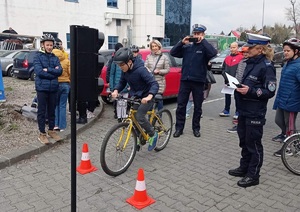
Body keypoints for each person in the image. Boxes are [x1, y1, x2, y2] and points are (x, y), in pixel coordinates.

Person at [228, 33, 276, 188]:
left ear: (260, 49)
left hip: (255, 111)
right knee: (243, 141)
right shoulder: (249, 63)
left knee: (253, 143)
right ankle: (244, 167)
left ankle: (253, 175)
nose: (247, 49)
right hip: (243, 109)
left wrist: (250, 91)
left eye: (251, 47)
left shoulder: (267, 67)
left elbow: (269, 91)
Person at [170, 24, 217, 138]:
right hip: (185, 80)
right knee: (181, 106)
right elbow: (173, 53)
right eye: (195, 34)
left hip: (198, 81)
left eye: (199, 34)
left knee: (197, 107)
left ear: (203, 34)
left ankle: (196, 128)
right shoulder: (187, 47)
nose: (196, 36)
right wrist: (182, 42)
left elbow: (213, 53)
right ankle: (179, 128)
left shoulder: (204, 47)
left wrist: (203, 41)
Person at [111, 47, 159, 151]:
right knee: (133, 116)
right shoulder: (126, 71)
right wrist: (115, 90)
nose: (120, 67)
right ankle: (138, 136)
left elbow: (154, 84)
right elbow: (122, 83)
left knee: (140, 116)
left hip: (147, 96)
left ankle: (153, 134)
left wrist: (149, 96)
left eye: (122, 65)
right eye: (119, 65)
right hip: (137, 96)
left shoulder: (141, 70)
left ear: (129, 62)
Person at [272, 38, 300, 157]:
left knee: (290, 126)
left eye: (288, 50)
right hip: (282, 99)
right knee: (278, 121)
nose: (285, 52)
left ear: (296, 51)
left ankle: (290, 148)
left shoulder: (298, 66)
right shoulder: (287, 63)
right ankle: (295, 141)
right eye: (284, 50)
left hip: (292, 102)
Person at [33, 34, 63, 144]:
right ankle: (42, 133)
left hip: (53, 88)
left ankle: (51, 130)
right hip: (42, 88)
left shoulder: (55, 57)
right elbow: (39, 72)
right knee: (41, 111)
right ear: (43, 45)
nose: (49, 47)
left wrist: (48, 70)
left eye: (51, 45)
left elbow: (60, 71)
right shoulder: (37, 56)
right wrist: (53, 72)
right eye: (47, 45)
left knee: (51, 110)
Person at [227, 46, 249, 133]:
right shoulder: (241, 61)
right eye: (244, 53)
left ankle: (242, 125)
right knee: (239, 105)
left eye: (247, 52)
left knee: (244, 107)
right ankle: (239, 124)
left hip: (245, 88)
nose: (245, 54)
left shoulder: (250, 63)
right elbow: (238, 73)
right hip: (238, 87)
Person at [219, 42, 243, 117]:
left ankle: (238, 112)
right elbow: (223, 69)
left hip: (236, 82)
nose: (232, 49)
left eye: (234, 47)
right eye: (231, 47)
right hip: (227, 81)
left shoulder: (241, 58)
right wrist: (225, 77)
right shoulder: (227, 58)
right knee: (227, 96)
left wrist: (236, 79)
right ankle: (226, 110)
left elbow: (241, 70)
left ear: (237, 48)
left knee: (237, 97)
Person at [145, 39, 170, 111]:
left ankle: (159, 117)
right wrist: (149, 72)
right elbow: (145, 66)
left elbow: (167, 70)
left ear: (159, 46)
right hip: (150, 81)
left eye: (155, 46)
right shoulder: (148, 57)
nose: (154, 48)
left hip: (160, 82)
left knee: (159, 100)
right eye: (152, 46)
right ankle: (150, 118)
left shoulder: (164, 57)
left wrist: (159, 71)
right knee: (150, 100)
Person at [52, 40, 71, 131]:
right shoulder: (67, 60)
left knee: (55, 105)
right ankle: (62, 126)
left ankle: (55, 124)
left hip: (55, 84)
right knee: (63, 105)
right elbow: (70, 73)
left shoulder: (51, 59)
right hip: (65, 84)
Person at [109, 48, 129, 122]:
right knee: (119, 103)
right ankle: (119, 117)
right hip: (118, 86)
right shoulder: (114, 62)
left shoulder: (127, 62)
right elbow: (112, 74)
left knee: (124, 103)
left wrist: (129, 85)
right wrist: (112, 87)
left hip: (125, 86)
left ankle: (123, 116)